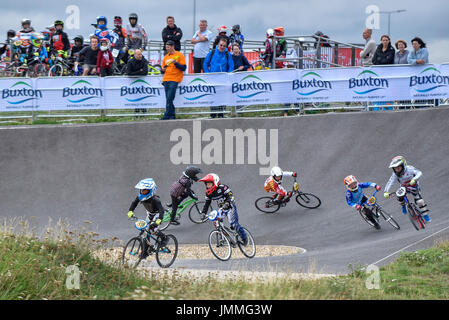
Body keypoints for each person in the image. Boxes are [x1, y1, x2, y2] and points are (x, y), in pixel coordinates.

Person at [199, 173, 248, 245]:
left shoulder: (223, 188)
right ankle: (223, 237)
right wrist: (203, 213)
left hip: (230, 207)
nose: (207, 186)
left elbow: (230, 195)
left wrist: (228, 203)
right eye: (206, 184)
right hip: (222, 209)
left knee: (234, 224)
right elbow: (207, 204)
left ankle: (244, 238)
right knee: (216, 221)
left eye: (209, 184)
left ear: (215, 182)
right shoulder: (208, 193)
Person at [126, 178, 167, 258]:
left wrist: (159, 220)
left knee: (153, 230)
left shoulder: (155, 199)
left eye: (145, 190)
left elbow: (161, 210)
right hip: (149, 214)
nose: (143, 192)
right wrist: (130, 211)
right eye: (142, 190)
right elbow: (134, 203)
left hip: (157, 214)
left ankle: (164, 238)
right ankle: (145, 252)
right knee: (145, 232)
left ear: (151, 190)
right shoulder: (140, 196)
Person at [384, 156, 431, 222]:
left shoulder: (410, 169)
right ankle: (403, 206)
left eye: (398, 167)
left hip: (413, 186)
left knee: (420, 201)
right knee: (400, 196)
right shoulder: (395, 174)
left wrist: (414, 179)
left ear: (403, 165)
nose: (397, 170)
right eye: (395, 168)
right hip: (404, 187)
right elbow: (390, 182)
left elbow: (419, 173)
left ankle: (425, 215)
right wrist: (386, 191)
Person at [203, 38, 234, 118]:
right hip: (213, 78)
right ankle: (213, 114)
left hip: (223, 79)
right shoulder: (212, 52)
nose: (222, 47)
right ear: (218, 45)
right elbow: (205, 64)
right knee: (213, 96)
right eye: (221, 45)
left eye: (224, 46)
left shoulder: (228, 54)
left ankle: (221, 114)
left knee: (222, 96)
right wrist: (208, 74)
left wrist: (228, 75)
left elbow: (231, 65)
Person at [161, 40, 186, 120]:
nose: (167, 49)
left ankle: (166, 115)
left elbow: (183, 68)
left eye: (168, 47)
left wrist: (175, 63)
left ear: (172, 47)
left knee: (169, 98)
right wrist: (163, 70)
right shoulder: (166, 57)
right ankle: (172, 115)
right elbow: (162, 69)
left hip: (174, 79)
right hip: (166, 79)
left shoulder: (179, 55)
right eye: (166, 47)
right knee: (168, 98)